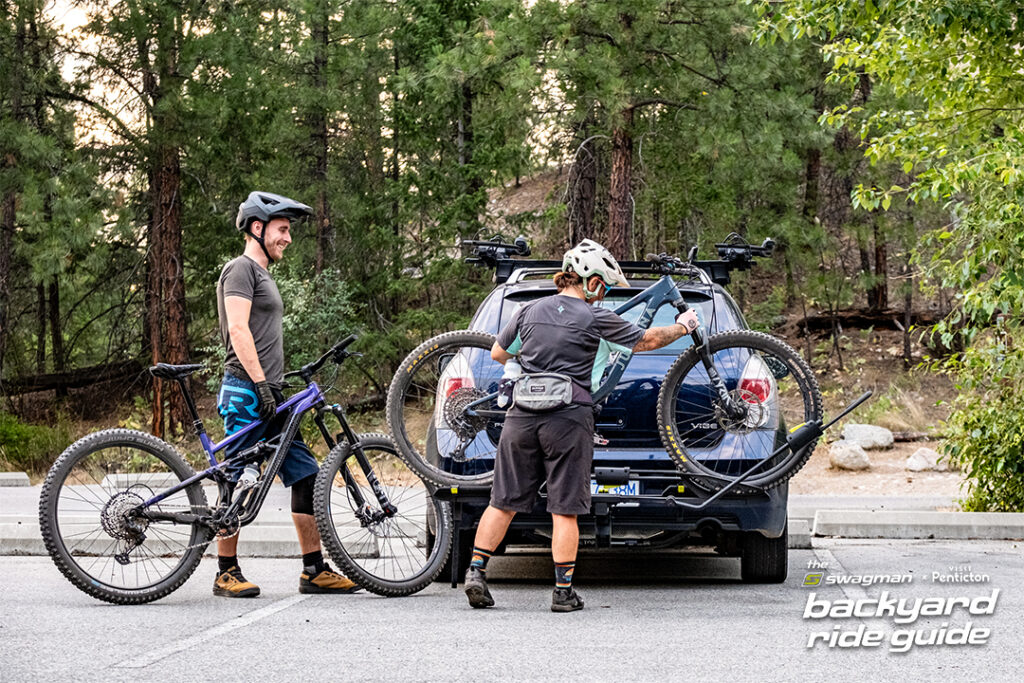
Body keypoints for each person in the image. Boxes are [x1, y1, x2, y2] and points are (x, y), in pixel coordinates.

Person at [464, 239, 701, 612]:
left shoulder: (528, 310)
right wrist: (683, 327)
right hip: (568, 417)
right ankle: (562, 593)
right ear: (589, 281)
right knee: (564, 509)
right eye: (602, 287)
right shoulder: (595, 317)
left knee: (503, 501)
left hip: (521, 416)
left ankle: (476, 572)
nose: (602, 295)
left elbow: (497, 352)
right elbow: (646, 340)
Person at [212, 191, 360, 598]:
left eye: (288, 231)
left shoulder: (262, 274)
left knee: (306, 474)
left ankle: (314, 570)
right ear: (256, 228)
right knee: (237, 478)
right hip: (246, 390)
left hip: (270, 393)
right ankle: (225, 572)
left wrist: (276, 382)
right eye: (282, 229)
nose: (288, 239)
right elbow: (239, 330)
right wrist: (260, 384)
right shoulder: (240, 270)